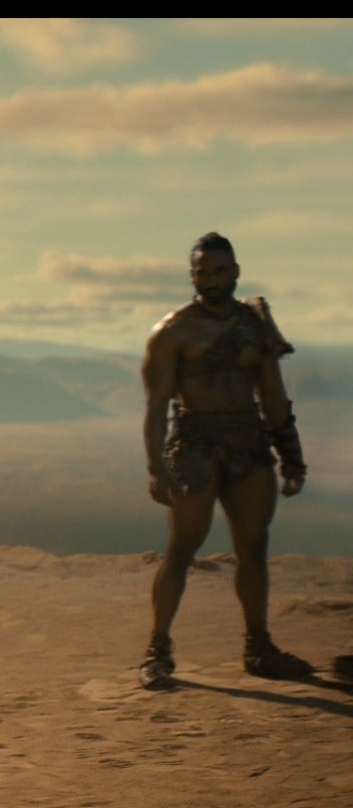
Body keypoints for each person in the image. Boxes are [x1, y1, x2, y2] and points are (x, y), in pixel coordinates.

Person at [138, 232, 311, 689]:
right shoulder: (173, 332)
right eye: (202, 272)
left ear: (235, 271)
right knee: (183, 548)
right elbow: (156, 405)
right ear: (192, 276)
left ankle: (259, 647)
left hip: (249, 443)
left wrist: (291, 454)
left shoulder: (255, 324)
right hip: (195, 446)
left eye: (219, 270)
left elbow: (272, 392)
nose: (211, 279)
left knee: (253, 547)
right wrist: (156, 467)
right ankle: (157, 649)